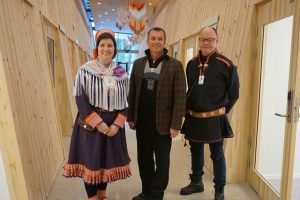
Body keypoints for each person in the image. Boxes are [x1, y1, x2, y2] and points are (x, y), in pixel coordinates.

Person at [63, 29, 131, 200]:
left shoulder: (122, 74)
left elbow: (127, 101)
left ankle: (102, 195)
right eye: (102, 45)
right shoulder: (85, 70)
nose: (106, 49)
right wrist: (98, 123)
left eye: (109, 45)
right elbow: (80, 99)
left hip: (113, 125)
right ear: (97, 48)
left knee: (105, 163)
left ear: (115, 50)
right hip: (91, 125)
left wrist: (117, 124)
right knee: (91, 162)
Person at [180, 26, 239, 200]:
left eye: (210, 39)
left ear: (216, 41)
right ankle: (197, 182)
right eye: (203, 39)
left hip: (215, 119)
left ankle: (219, 190)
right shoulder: (191, 64)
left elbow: (234, 93)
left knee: (217, 155)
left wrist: (221, 112)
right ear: (199, 41)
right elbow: (191, 89)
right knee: (195, 151)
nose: (206, 43)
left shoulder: (227, 64)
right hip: (194, 117)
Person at [127, 27, 186, 200]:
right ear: (148, 41)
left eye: (160, 39)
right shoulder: (138, 64)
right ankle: (146, 191)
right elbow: (132, 91)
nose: (156, 42)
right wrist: (131, 117)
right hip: (142, 123)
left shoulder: (175, 65)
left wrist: (176, 125)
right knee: (144, 160)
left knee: (162, 161)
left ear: (165, 42)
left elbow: (180, 97)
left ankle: (157, 193)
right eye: (153, 38)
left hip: (163, 124)